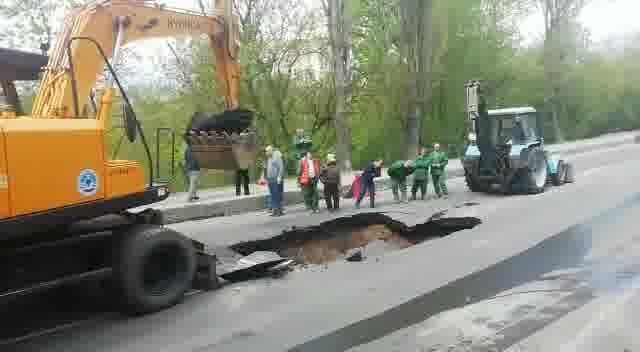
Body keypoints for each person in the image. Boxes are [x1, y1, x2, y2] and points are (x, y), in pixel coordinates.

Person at [265, 146, 285, 216]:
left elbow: (281, 167)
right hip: (270, 179)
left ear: (271, 151)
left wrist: (279, 177)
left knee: (277, 195)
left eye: (267, 151)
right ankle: (275, 211)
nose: (266, 153)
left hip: (276, 179)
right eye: (266, 151)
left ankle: (279, 211)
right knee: (273, 196)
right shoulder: (269, 158)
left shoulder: (276, 156)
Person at [184, 130, 201, 202]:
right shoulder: (195, 149)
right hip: (194, 168)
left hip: (189, 168)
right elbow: (198, 159)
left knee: (195, 182)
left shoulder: (187, 149)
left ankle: (194, 195)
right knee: (193, 183)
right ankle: (189, 197)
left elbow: (186, 158)